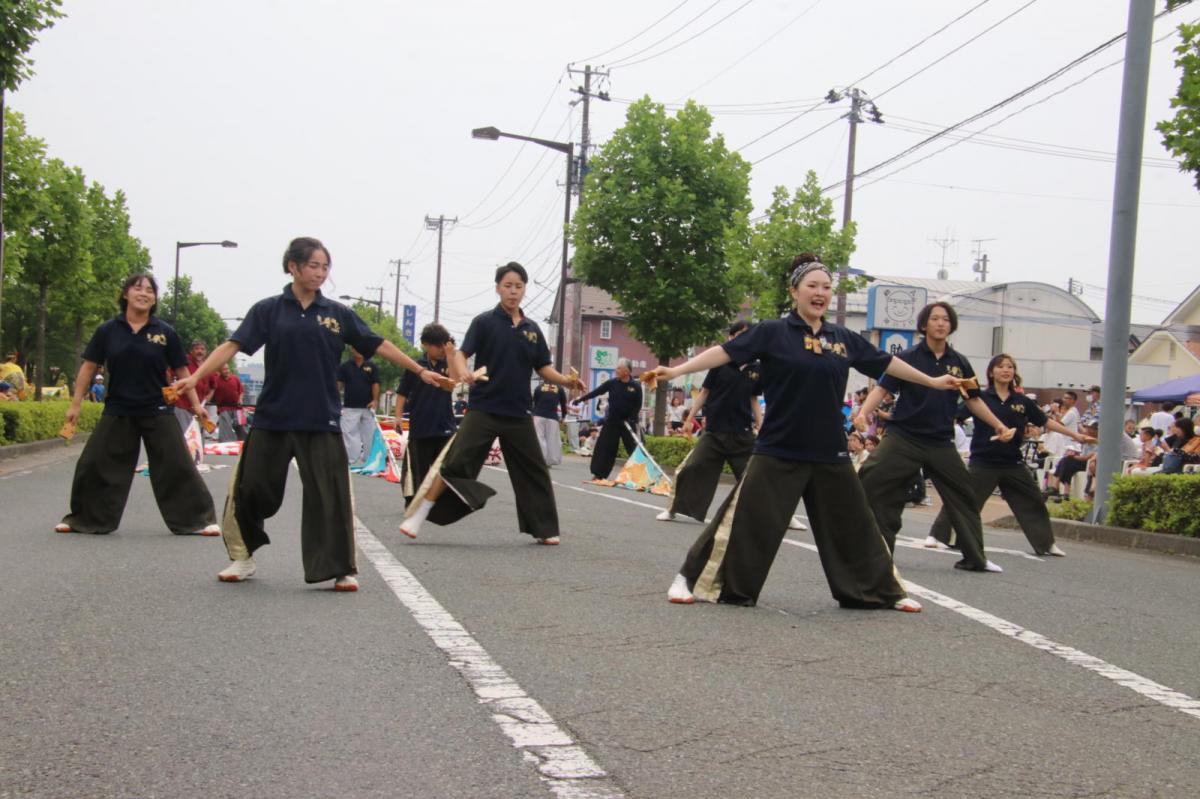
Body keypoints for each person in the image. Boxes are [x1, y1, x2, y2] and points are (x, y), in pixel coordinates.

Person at [648, 258, 971, 612]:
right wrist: (676, 369)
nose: (820, 293)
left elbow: (886, 364)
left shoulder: (842, 338)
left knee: (854, 523)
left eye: (826, 288)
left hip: (828, 450)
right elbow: (724, 353)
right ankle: (692, 579)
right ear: (794, 292)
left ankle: (878, 592)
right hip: (779, 446)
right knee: (744, 519)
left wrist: (932, 381)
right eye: (812, 286)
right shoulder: (772, 332)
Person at [175, 236, 445, 591]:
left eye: (325, 267)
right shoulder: (269, 310)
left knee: (329, 495)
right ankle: (243, 556)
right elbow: (233, 345)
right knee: (251, 488)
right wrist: (194, 376)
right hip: (274, 415)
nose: (320, 273)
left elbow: (378, 343)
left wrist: (420, 370)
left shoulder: (337, 314)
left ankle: (340, 568)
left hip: (322, 418)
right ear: (293, 267)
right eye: (313, 266)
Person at [398, 262, 585, 544]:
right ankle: (419, 514)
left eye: (518, 286)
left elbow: (543, 367)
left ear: (524, 289)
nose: (513, 292)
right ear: (498, 288)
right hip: (484, 408)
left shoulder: (532, 329)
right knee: (455, 463)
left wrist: (566, 381)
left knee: (533, 470)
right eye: (508, 286)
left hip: (519, 412)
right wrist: (462, 371)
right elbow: (462, 354)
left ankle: (544, 529)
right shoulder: (484, 322)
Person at [54, 273, 220, 537]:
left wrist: (197, 406)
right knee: (94, 463)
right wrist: (75, 404)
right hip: (118, 408)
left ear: (154, 299)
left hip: (157, 408)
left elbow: (181, 371)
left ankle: (197, 521)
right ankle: (84, 519)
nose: (144, 294)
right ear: (125, 294)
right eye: (138, 288)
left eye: (150, 290)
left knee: (177, 464)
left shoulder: (165, 332)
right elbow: (88, 367)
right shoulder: (108, 330)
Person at [856, 301, 1015, 573]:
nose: (941, 323)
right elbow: (882, 389)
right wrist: (863, 413)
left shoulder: (959, 363)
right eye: (935, 319)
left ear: (951, 325)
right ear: (924, 324)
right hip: (903, 437)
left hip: (940, 442)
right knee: (870, 478)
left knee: (964, 494)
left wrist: (999, 424)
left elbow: (974, 401)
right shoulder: (907, 357)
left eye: (946, 319)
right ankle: (877, 551)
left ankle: (975, 557)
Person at [927, 354, 1090, 556]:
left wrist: (1074, 434)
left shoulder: (1022, 401)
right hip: (983, 462)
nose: (1006, 370)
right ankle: (937, 536)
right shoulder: (980, 398)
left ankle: (1046, 544)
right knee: (965, 499)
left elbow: (1044, 422)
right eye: (1001, 366)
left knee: (1034, 501)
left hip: (1013, 463)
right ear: (992, 372)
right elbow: (955, 416)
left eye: (1010, 367)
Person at [657, 320, 763, 524]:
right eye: (739, 334)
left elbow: (754, 400)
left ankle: (785, 516)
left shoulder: (756, 368)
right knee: (692, 467)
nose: (743, 339)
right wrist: (689, 419)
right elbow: (705, 392)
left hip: (742, 433)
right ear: (731, 338)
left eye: (748, 335)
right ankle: (672, 509)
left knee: (759, 474)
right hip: (715, 430)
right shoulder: (719, 363)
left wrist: (762, 425)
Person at [396, 323, 457, 505]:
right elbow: (402, 393)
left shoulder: (448, 363)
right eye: (437, 346)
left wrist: (451, 356)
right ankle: (413, 500)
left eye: (443, 345)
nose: (440, 350)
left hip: (444, 424)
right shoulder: (416, 366)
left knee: (445, 466)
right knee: (416, 468)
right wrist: (398, 417)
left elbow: (455, 382)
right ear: (425, 344)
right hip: (420, 424)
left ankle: (443, 501)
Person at [577, 359, 643, 482]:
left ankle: (639, 476)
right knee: (605, 447)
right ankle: (599, 474)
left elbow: (638, 405)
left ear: (626, 371)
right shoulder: (612, 383)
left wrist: (632, 418)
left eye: (618, 368)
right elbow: (597, 391)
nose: (616, 370)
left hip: (628, 423)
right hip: (612, 421)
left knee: (633, 449)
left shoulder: (635, 387)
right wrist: (581, 399)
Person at [336, 347, 381, 465]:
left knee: (369, 433)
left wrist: (375, 400)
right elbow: (339, 384)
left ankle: (369, 459)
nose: (358, 350)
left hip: (368, 406)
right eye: (356, 348)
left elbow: (375, 384)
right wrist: (335, 401)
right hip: (350, 406)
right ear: (352, 349)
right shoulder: (345, 366)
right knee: (349, 433)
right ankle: (350, 459)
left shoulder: (371, 366)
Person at [173, 340, 217, 433]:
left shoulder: (207, 365)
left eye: (202, 349)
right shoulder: (184, 361)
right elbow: (169, 374)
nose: (199, 351)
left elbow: (213, 385)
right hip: (183, 405)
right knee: (184, 435)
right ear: (191, 351)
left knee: (197, 436)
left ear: (205, 352)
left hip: (199, 408)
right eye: (197, 349)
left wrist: (209, 397)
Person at [531, 377, 568, 466]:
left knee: (539, 438)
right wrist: (563, 416)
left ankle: (540, 459)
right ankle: (550, 460)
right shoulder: (560, 388)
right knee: (552, 439)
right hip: (552, 417)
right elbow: (563, 404)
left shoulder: (538, 388)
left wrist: (532, 414)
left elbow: (534, 403)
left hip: (538, 415)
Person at [211, 363, 245, 442]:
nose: (226, 371)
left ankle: (243, 441)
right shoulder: (216, 380)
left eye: (227, 369)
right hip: (223, 407)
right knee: (225, 422)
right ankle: (226, 442)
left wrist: (240, 399)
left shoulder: (235, 378)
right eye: (224, 369)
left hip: (237, 407)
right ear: (219, 371)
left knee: (240, 425)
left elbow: (241, 391)